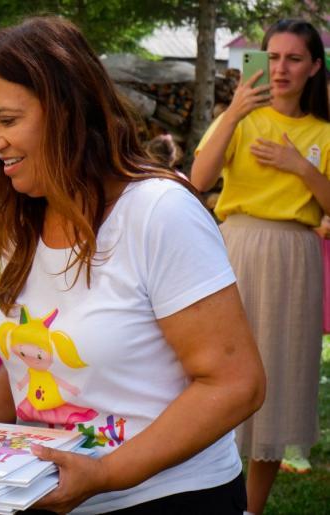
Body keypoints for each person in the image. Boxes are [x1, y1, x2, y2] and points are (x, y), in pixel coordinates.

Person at [0, 17, 265, 515]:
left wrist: (107, 474)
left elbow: (235, 384)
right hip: (49, 497)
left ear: (67, 111)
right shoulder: (22, 219)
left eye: (8, 121)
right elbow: (44, 367)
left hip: (169, 499)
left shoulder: (159, 214)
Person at [191, 18, 330, 515]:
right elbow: (199, 178)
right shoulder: (241, 118)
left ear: (315, 67)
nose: (280, 68)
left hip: (294, 255)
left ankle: (251, 509)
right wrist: (231, 114)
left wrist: (301, 167)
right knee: (214, 364)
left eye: (294, 59)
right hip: (233, 246)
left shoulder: (323, 132)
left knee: (279, 372)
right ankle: (205, 485)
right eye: (272, 57)